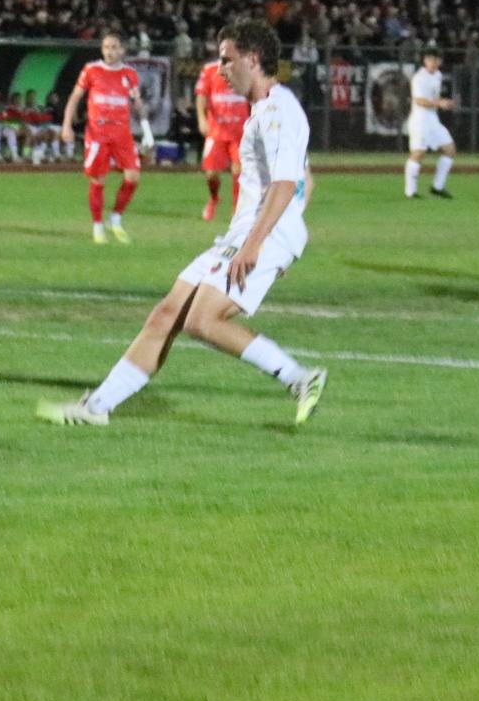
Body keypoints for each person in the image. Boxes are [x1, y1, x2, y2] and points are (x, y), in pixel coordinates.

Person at [39, 21, 327, 428]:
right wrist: (274, 237)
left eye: (227, 60)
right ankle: (97, 407)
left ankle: (299, 378)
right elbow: (305, 181)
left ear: (252, 59)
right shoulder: (267, 109)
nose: (221, 69)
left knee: (202, 321)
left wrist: (260, 244)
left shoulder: (277, 110)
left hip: (258, 238)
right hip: (248, 235)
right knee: (166, 314)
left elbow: (285, 184)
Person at [60, 31, 154, 244]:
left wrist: (147, 131)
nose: (110, 51)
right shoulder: (91, 70)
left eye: (114, 47)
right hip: (98, 134)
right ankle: (97, 226)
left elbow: (137, 103)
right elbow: (75, 97)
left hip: (122, 134)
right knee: (98, 180)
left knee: (133, 176)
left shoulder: (129, 74)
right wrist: (66, 125)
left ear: (122, 50)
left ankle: (115, 218)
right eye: (106, 47)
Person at [194, 53, 249, 220]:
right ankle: (214, 198)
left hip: (240, 130)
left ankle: (237, 210)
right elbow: (201, 95)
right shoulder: (210, 69)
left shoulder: (246, 68)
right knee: (211, 173)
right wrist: (202, 119)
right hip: (216, 130)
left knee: (238, 170)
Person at [403, 48, 457, 199]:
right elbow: (419, 101)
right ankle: (410, 192)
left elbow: (433, 98)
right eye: (430, 59)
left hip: (432, 119)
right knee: (418, 153)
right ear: (425, 61)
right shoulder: (419, 78)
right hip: (420, 120)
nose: (433, 63)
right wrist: (439, 103)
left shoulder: (438, 75)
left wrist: (444, 103)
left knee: (449, 149)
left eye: (436, 60)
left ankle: (437, 187)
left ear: (440, 61)